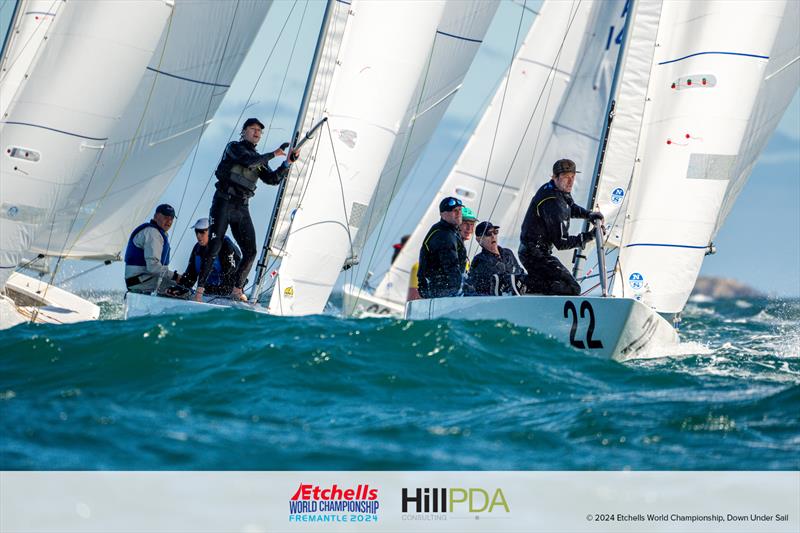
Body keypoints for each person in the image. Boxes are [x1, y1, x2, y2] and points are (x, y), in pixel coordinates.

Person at [195, 117, 299, 302]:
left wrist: (287, 163)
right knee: (215, 246)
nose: (257, 132)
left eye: (260, 130)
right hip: (223, 202)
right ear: (244, 131)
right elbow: (248, 161)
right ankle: (199, 292)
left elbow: (272, 179)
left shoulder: (259, 159)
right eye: (253, 129)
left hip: (241, 207)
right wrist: (274, 154)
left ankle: (237, 289)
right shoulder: (234, 147)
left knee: (250, 251)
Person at [519, 159, 603, 295]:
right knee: (572, 288)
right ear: (555, 177)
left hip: (535, 251)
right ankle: (523, 283)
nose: (570, 182)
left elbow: (570, 207)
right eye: (565, 177)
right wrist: (589, 236)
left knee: (562, 285)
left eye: (572, 177)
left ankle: (532, 290)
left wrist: (589, 215)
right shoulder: (553, 202)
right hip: (534, 254)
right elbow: (561, 243)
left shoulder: (556, 188)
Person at [124, 204, 183, 295]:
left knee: (180, 287)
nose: (169, 221)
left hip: (140, 280)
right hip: (141, 281)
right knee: (184, 291)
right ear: (156, 217)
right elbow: (153, 267)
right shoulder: (153, 233)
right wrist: (175, 276)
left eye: (171, 219)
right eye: (166, 217)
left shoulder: (156, 232)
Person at [417, 197, 468, 299]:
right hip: (439, 290)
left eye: (460, 210)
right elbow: (450, 266)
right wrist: (462, 288)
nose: (458, 213)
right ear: (443, 214)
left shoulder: (451, 231)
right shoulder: (443, 235)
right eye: (454, 211)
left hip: (442, 288)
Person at [178, 218, 242, 297]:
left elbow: (233, 272)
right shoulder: (197, 249)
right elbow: (191, 275)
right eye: (196, 232)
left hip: (228, 291)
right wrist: (180, 289)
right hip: (207, 291)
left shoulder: (226, 245)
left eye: (202, 232)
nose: (198, 235)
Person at [468, 221, 526, 296]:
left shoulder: (508, 253)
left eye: (495, 232)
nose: (493, 236)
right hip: (496, 302)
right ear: (479, 239)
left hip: (518, 297)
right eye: (488, 234)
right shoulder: (479, 260)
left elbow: (520, 272)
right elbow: (482, 287)